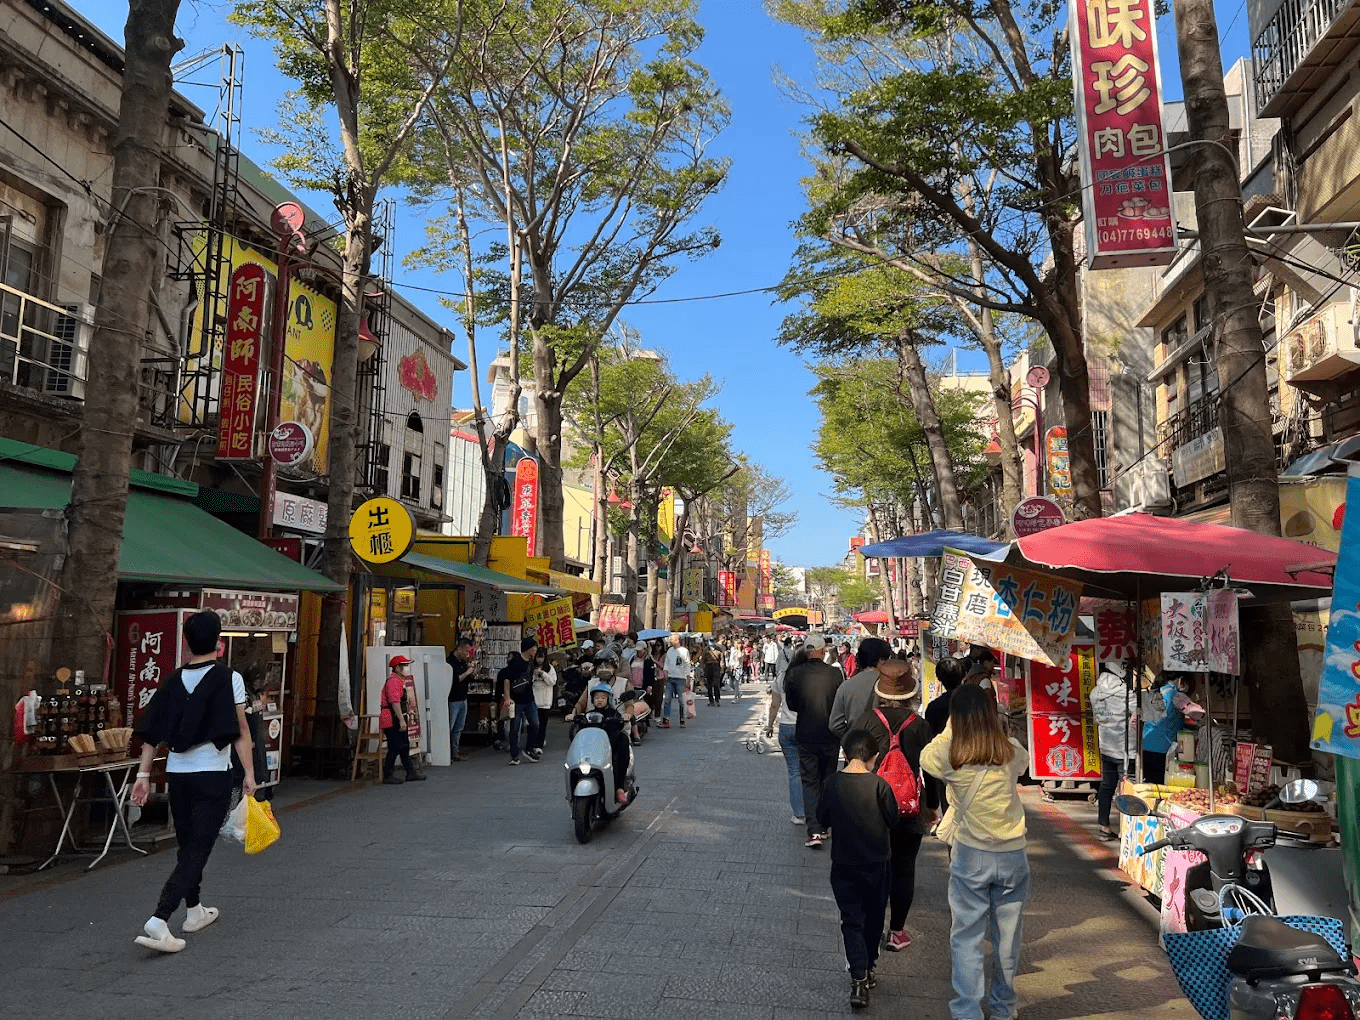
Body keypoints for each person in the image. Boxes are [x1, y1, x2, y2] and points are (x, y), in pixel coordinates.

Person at [130, 610, 255, 953]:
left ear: (186, 643)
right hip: (213, 774)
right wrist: (250, 775)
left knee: (189, 847)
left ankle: (195, 911)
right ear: (219, 642)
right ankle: (159, 919)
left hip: (178, 776)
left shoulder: (171, 682)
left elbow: (151, 735)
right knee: (198, 849)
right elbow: (242, 731)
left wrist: (142, 776)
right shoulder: (229, 678)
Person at [920, 685, 1031, 1020]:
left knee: (966, 937)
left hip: (971, 854)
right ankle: (1003, 1008)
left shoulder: (952, 755)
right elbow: (1024, 767)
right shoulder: (1011, 750)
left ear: (957, 717)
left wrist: (952, 725)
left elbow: (926, 757)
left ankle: (967, 1011)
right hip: (1013, 855)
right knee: (1008, 939)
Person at [851, 659, 937, 951]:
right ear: (910, 692)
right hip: (911, 805)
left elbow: (850, 757)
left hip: (870, 804)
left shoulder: (865, 720)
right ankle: (897, 931)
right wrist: (933, 805)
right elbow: (932, 770)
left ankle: (869, 928)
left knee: (872, 866)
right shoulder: (921, 726)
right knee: (904, 869)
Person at [817, 728, 899, 1009]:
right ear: (874, 757)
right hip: (877, 864)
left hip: (843, 864)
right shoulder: (880, 786)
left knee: (851, 920)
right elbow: (893, 819)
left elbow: (822, 818)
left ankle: (859, 978)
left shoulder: (831, 784)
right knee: (874, 918)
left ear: (845, 754)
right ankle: (869, 966)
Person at [784, 635, 845, 849]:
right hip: (830, 734)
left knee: (809, 780)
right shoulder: (835, 673)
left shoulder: (794, 673)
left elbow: (792, 705)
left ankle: (814, 830)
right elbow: (841, 703)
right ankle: (826, 825)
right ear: (822, 650)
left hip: (805, 732)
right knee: (828, 778)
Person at [1091, 659, 1138, 840]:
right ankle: (1128, 831)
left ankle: (1104, 826)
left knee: (1106, 787)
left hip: (1106, 746)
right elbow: (1141, 711)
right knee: (1127, 789)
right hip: (1127, 748)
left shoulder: (1096, 692)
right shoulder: (1127, 693)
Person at [766, 648, 805, 825]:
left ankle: (798, 813)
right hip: (806, 727)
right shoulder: (808, 677)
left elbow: (775, 705)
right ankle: (812, 811)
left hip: (787, 726)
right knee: (810, 771)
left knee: (794, 772)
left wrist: (769, 725)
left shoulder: (781, 677)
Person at [829, 637, 893, 741]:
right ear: (882, 660)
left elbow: (835, 725)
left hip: (857, 747)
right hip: (886, 745)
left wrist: (851, 737)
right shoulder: (891, 684)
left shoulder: (846, 686)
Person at [580, 682, 634, 805]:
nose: (599, 700)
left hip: (609, 748)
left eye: (603, 698)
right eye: (597, 698)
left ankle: (619, 787)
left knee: (623, 739)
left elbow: (620, 724)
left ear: (608, 699)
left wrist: (625, 716)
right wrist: (574, 717)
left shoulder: (614, 714)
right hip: (592, 751)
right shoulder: (588, 715)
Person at [923, 656, 965, 813]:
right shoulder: (975, 702)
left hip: (945, 765)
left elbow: (930, 744)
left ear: (939, 679)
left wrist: (932, 801)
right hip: (975, 761)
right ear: (963, 676)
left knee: (950, 811)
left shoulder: (934, 707)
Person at [1142, 673, 1200, 784]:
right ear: (1180, 680)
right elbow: (1196, 713)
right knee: (1162, 784)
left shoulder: (1153, 693)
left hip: (1146, 746)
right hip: (1164, 748)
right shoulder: (1176, 695)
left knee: (1150, 784)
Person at [380, 656, 426, 783]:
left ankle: (410, 772)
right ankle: (388, 774)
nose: (406, 668)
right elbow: (394, 702)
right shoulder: (393, 682)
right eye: (404, 665)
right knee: (395, 746)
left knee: (404, 745)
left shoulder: (398, 680)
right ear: (397, 668)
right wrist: (401, 719)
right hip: (391, 717)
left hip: (394, 716)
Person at [502, 637, 541, 765]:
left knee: (535, 724)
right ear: (528, 648)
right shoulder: (515, 662)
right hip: (516, 700)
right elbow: (507, 679)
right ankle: (514, 755)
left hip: (529, 699)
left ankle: (529, 749)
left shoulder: (531, 661)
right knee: (514, 728)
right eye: (534, 647)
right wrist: (507, 698)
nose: (535, 650)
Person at [446, 638, 476, 762]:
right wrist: (467, 672)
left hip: (463, 697)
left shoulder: (463, 662)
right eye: (466, 651)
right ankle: (446, 752)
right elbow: (454, 680)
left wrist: (471, 672)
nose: (467, 654)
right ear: (458, 649)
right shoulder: (449, 663)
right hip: (453, 699)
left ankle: (455, 751)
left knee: (459, 727)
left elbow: (467, 680)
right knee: (450, 726)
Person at [660, 634, 691, 728]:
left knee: (681, 700)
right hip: (670, 677)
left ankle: (682, 720)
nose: (670, 641)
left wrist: (688, 677)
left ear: (677, 640)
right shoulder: (670, 650)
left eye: (672, 639)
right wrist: (665, 670)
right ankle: (666, 720)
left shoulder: (684, 651)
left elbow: (687, 664)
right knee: (667, 699)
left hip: (681, 678)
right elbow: (667, 661)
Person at [531, 649, 557, 756]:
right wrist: (534, 674)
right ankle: (533, 743)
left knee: (542, 724)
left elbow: (552, 682)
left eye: (541, 657)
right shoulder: (531, 667)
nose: (540, 660)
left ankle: (539, 744)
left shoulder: (550, 668)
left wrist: (544, 674)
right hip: (534, 700)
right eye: (538, 657)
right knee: (534, 723)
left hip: (545, 701)